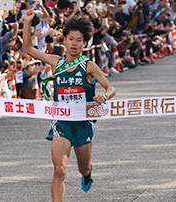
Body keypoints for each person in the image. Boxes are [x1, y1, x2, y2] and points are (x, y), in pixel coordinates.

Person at [23, 3, 116, 202]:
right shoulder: (57, 62)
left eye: (79, 40)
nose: (74, 44)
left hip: (83, 123)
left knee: (84, 166)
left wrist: (104, 97)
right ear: (64, 39)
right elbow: (28, 48)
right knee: (59, 170)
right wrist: (26, 23)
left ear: (85, 43)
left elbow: (110, 88)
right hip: (61, 122)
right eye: (71, 39)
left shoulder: (89, 66)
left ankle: (87, 174)